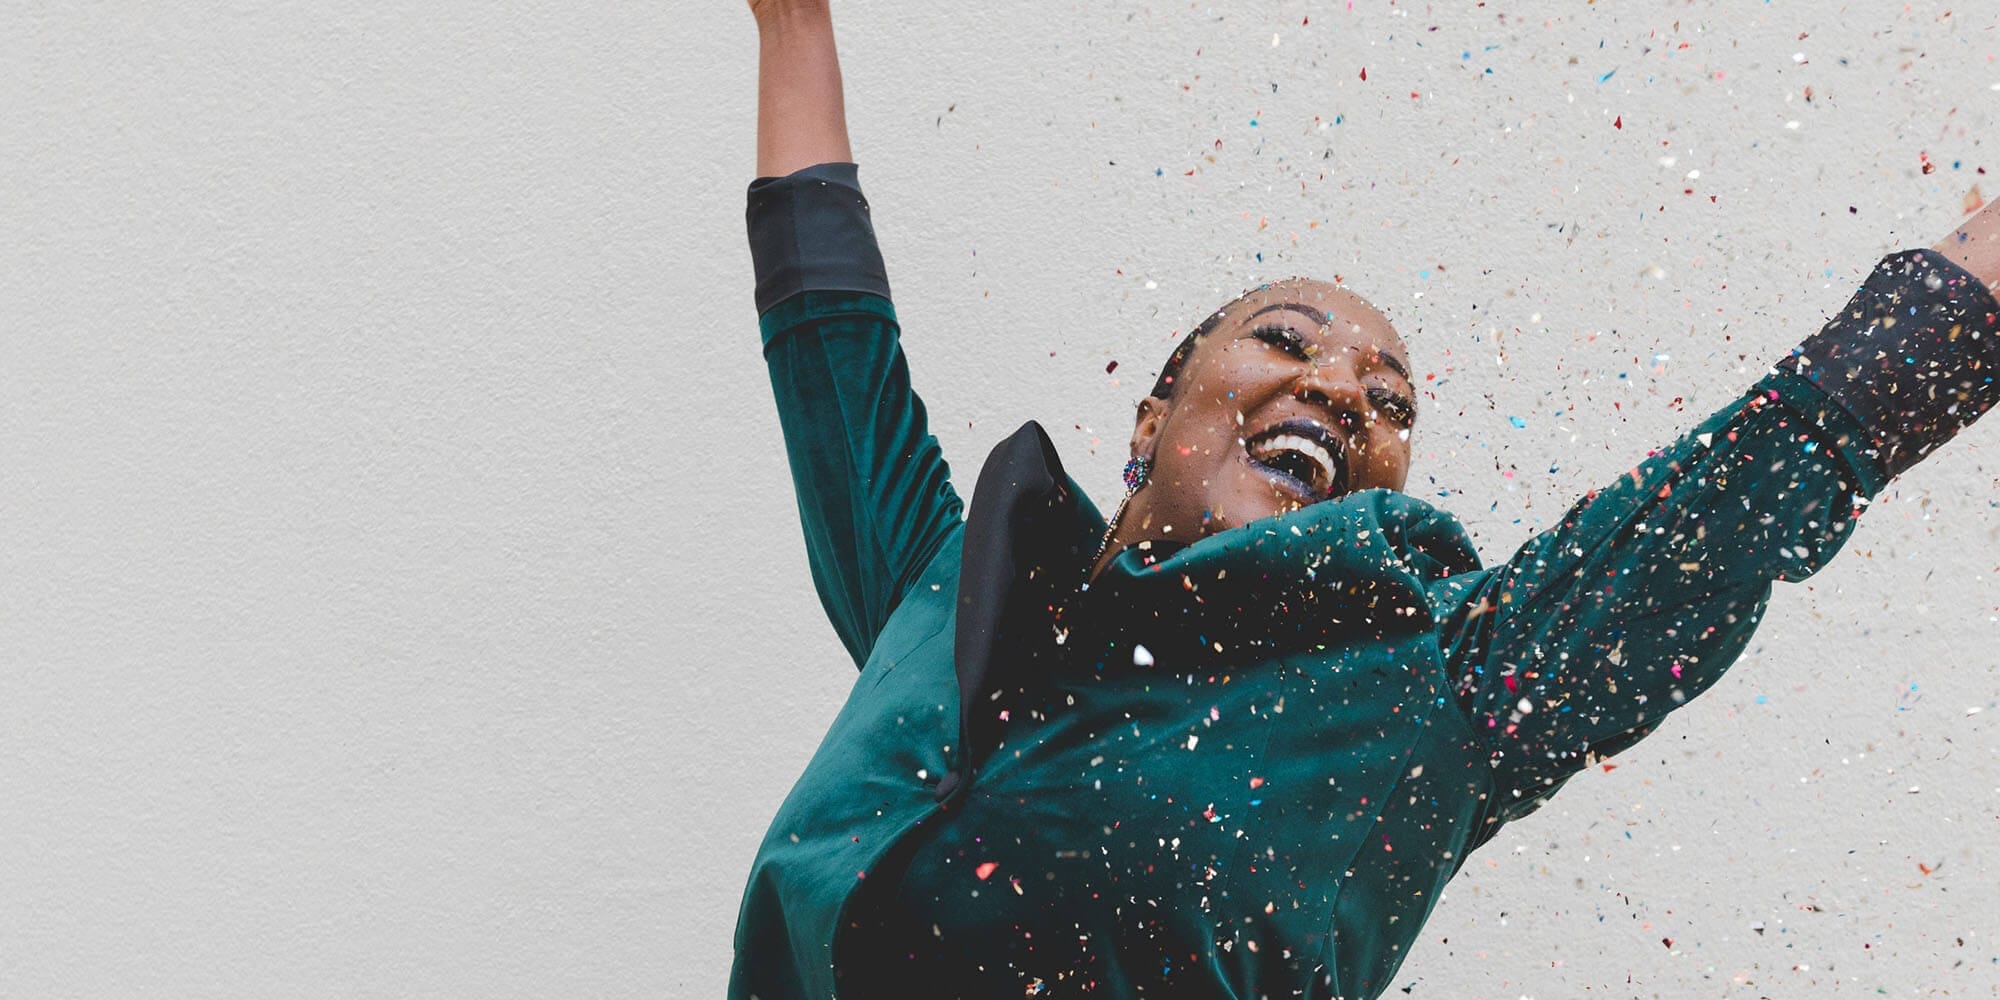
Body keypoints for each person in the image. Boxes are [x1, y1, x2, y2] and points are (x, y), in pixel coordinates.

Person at [731, 2, 2000, 997]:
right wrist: (793, 21)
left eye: (1387, 399)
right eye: (1285, 340)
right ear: (1152, 416)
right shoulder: (941, 597)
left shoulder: (1425, 699)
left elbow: (1730, 496)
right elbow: (832, 341)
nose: (1338, 386)